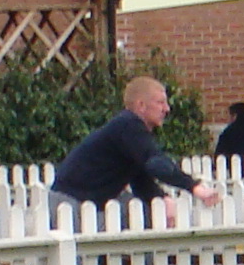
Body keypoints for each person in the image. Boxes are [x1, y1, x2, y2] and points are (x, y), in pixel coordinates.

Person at [49, 75, 222, 215]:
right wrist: (195, 187)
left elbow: (140, 180)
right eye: (160, 102)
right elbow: (155, 162)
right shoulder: (128, 125)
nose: (167, 109)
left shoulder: (128, 130)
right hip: (71, 204)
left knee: (138, 214)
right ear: (141, 105)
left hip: (82, 202)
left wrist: (162, 198)